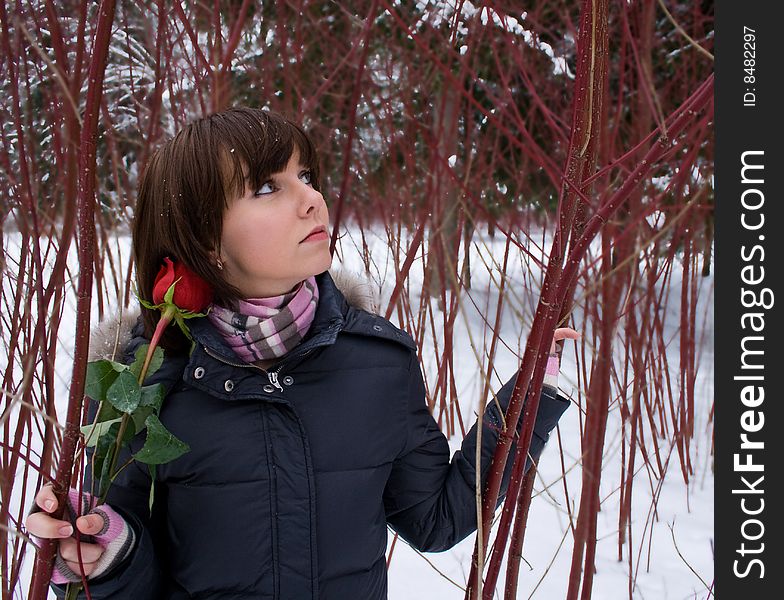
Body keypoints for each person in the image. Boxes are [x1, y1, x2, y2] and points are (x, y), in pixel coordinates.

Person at [25, 107, 578, 599]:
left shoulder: (378, 362)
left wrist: (528, 401)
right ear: (202, 239)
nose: (312, 199)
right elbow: (137, 572)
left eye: (306, 176)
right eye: (268, 187)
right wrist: (109, 554)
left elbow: (435, 518)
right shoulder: (142, 384)